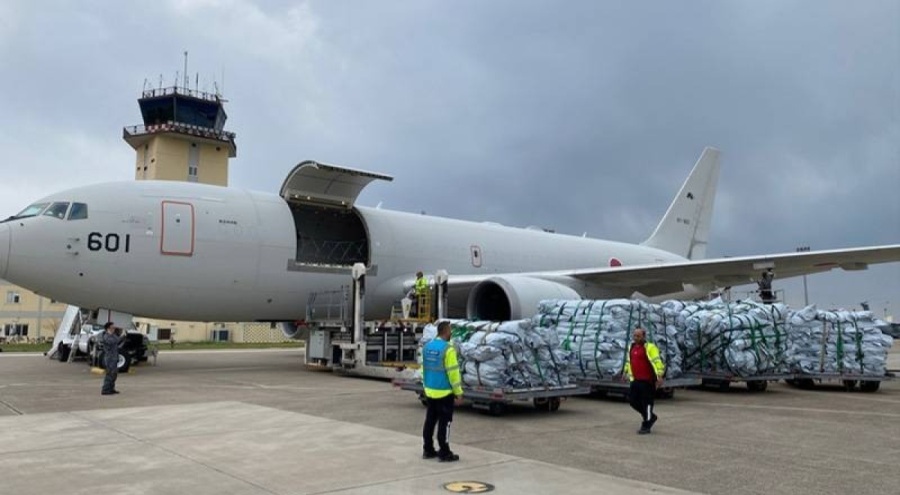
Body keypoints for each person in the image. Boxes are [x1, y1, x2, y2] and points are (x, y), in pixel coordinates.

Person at [421, 321, 463, 461]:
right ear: (445, 332)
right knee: (445, 423)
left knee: (430, 421)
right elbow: (453, 374)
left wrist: (425, 386)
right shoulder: (448, 349)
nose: (451, 333)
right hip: (444, 392)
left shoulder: (427, 347)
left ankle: (428, 449)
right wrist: (458, 392)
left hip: (430, 391)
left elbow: (423, 370)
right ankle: (444, 452)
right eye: (450, 330)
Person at [623, 328, 665, 434]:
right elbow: (629, 361)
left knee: (647, 403)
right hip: (636, 380)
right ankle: (650, 416)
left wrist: (660, 375)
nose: (636, 338)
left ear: (644, 337)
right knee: (632, 401)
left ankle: (646, 425)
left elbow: (657, 361)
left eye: (638, 336)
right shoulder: (631, 347)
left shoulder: (650, 348)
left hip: (647, 381)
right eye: (635, 336)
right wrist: (625, 372)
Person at [100, 322, 122, 395]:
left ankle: (111, 388)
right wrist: (121, 336)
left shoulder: (113, 335)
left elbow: (118, 340)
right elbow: (113, 341)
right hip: (110, 358)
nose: (114, 329)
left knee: (114, 374)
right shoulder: (106, 336)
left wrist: (122, 336)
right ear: (108, 328)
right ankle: (105, 390)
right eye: (112, 328)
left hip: (114, 357)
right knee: (110, 374)